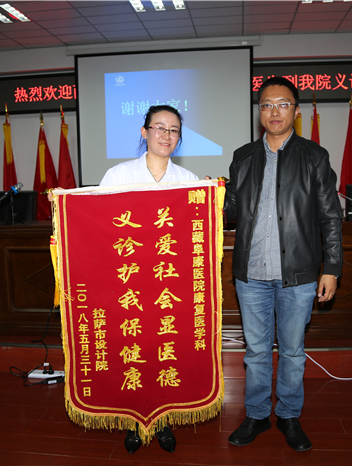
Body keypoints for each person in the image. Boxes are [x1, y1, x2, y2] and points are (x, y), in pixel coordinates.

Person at [223, 77, 343, 452]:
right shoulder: (243, 157)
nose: (274, 112)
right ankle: (257, 415)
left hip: (299, 275)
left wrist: (332, 268)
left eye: (283, 104)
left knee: (292, 352)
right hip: (251, 275)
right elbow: (229, 212)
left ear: (296, 110)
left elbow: (330, 217)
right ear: (259, 111)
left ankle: (289, 416)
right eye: (266, 105)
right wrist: (210, 196)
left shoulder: (314, 156)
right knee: (256, 352)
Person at [100, 104, 198, 454]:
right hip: (129, 284)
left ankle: (163, 420)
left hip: (168, 286)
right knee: (133, 354)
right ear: (144, 132)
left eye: (174, 130)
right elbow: (99, 227)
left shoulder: (189, 181)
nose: (166, 135)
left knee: (166, 353)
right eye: (159, 127)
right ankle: (133, 422)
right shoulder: (118, 175)